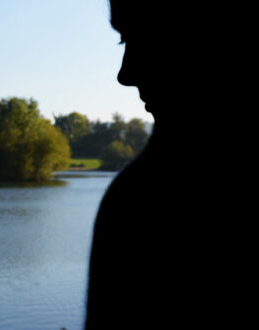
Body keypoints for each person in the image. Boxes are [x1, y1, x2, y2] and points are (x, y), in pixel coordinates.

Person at [86, 2, 251, 329]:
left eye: (144, 37)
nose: (124, 74)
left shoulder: (138, 204)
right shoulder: (134, 198)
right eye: (123, 41)